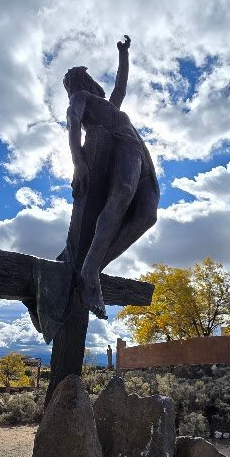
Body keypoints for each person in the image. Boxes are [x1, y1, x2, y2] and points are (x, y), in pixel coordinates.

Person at [63, 36, 159, 319]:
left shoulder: (110, 105)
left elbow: (120, 86)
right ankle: (90, 271)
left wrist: (124, 54)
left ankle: (89, 268)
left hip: (141, 153)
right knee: (122, 194)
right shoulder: (80, 99)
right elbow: (73, 124)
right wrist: (78, 161)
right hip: (121, 149)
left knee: (147, 215)